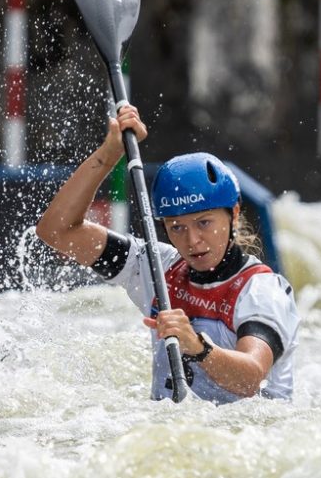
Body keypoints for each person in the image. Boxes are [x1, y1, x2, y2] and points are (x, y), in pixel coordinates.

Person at [36, 105, 300, 403]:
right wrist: (110, 153)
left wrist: (199, 348)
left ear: (234, 213)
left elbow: (251, 377)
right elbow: (57, 231)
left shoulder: (263, 291)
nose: (192, 240)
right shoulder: (156, 267)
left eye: (204, 223)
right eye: (176, 227)